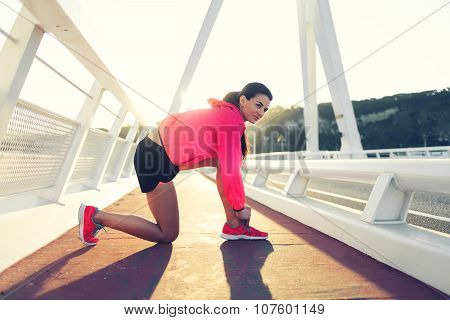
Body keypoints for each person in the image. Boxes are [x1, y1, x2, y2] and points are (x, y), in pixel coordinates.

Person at [78, 82, 273, 246]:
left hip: (157, 154)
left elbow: (227, 167)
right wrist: (239, 207)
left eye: (265, 109)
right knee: (167, 234)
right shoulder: (231, 121)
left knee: (227, 162)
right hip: (154, 157)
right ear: (242, 100)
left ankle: (233, 224)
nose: (261, 112)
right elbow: (230, 172)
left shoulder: (227, 116)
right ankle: (95, 217)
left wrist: (236, 207)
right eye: (258, 105)